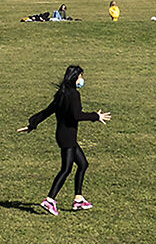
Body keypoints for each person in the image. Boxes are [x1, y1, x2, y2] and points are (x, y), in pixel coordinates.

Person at [22, 64, 106, 214]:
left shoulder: (61, 93)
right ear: (74, 78)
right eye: (80, 76)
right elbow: (77, 115)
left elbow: (47, 111)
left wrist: (32, 124)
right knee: (66, 169)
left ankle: (78, 199)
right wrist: (96, 116)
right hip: (67, 138)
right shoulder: (73, 95)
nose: (81, 79)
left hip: (65, 136)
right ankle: (49, 200)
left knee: (83, 164)